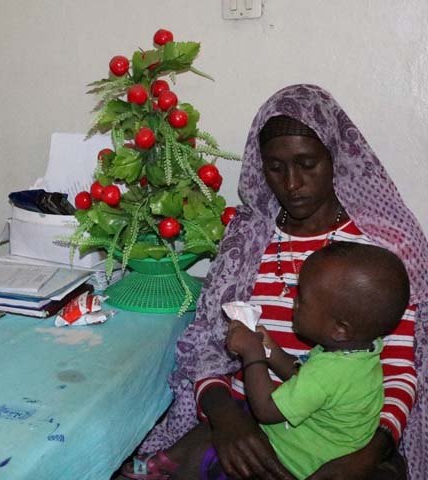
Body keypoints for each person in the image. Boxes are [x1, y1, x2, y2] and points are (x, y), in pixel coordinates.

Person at [120, 84, 428, 480]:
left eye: (307, 163)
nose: (292, 183)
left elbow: (401, 372)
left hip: (349, 440)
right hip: (248, 419)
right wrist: (226, 418)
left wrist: (367, 455)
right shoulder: (247, 238)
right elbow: (208, 342)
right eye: (275, 167)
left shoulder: (383, 250)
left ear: (336, 159)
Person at [163, 242, 410, 480]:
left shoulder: (328, 371)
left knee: (211, 455)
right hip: (311, 442)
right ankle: (164, 462)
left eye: (302, 299)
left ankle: (162, 466)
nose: (294, 301)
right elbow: (300, 375)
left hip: (292, 462)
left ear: (341, 329)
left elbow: (267, 410)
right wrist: (270, 350)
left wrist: (253, 354)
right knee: (225, 418)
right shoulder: (358, 354)